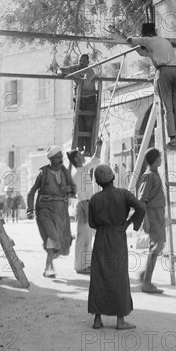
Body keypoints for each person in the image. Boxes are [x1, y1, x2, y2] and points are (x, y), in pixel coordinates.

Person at [88, 164, 145, 330]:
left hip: (101, 238)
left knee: (99, 276)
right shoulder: (123, 194)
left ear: (98, 182)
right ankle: (120, 321)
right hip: (118, 237)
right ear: (113, 178)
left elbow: (92, 223)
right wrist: (129, 224)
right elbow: (141, 207)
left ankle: (97, 320)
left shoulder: (94, 199)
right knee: (119, 276)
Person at [127, 23, 176, 147]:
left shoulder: (149, 40)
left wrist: (137, 39)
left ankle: (173, 139)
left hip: (164, 72)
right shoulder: (165, 41)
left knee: (168, 107)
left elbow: (130, 40)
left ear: (146, 34)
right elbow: (147, 53)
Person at [27, 146, 77, 278]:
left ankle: (49, 267)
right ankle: (48, 267)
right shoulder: (43, 173)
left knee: (59, 241)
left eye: (61, 157)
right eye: (58, 158)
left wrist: (69, 190)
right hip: (45, 210)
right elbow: (31, 192)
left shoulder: (65, 172)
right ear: (51, 159)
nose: (61, 160)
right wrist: (30, 209)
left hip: (61, 212)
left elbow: (74, 189)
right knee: (52, 237)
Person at [67, 138, 103, 274]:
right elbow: (82, 198)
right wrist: (89, 214)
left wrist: (98, 146)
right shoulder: (77, 174)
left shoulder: (83, 170)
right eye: (80, 155)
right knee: (83, 237)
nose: (83, 155)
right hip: (84, 208)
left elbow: (95, 160)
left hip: (88, 206)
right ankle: (80, 266)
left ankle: (86, 265)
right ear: (76, 159)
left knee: (88, 237)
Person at [137, 148, 166, 294]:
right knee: (157, 246)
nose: (161, 159)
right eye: (159, 157)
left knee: (157, 246)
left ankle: (145, 276)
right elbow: (142, 200)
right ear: (154, 160)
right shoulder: (148, 176)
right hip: (153, 215)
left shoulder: (155, 173)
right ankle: (147, 282)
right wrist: (145, 221)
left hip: (159, 215)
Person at [57, 54, 97, 155]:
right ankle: (79, 147)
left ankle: (88, 149)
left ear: (88, 62)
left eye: (83, 61)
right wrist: (59, 72)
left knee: (89, 125)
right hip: (79, 99)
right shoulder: (76, 68)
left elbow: (83, 83)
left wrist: (71, 76)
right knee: (79, 123)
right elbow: (63, 69)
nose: (81, 63)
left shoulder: (90, 71)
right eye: (80, 61)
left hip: (89, 100)